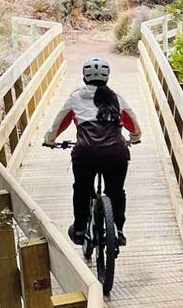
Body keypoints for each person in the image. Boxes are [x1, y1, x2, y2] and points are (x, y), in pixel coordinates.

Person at [43, 57, 141, 246]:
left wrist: (50, 141)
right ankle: (118, 231)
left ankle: (80, 229)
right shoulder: (116, 98)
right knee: (116, 192)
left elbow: (58, 124)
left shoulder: (75, 98)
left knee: (82, 190)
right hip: (116, 154)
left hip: (85, 154)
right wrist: (134, 138)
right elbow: (134, 126)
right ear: (107, 77)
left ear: (84, 77)